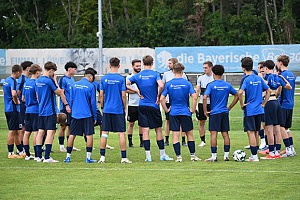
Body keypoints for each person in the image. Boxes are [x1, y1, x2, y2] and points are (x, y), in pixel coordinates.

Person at [127, 55, 173, 162]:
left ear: (143, 63)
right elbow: (161, 85)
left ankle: (148, 156)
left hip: (142, 105)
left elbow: (125, 84)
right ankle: (162, 154)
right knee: (158, 130)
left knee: (145, 130)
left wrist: (136, 91)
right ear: (152, 63)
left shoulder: (138, 75)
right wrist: (158, 95)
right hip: (153, 105)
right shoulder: (155, 74)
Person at [160, 62, 201, 162]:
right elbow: (195, 96)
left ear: (173, 71)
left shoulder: (169, 84)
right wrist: (193, 109)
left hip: (173, 112)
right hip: (185, 112)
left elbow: (161, 98)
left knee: (175, 134)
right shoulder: (187, 83)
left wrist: (166, 110)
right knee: (189, 134)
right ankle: (193, 156)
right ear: (182, 71)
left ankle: (178, 157)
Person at [99, 57, 132, 164]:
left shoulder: (104, 79)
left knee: (104, 133)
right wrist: (124, 107)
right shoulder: (121, 79)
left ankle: (102, 157)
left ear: (109, 65)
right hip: (118, 110)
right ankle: (123, 158)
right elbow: (123, 95)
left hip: (107, 109)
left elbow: (101, 95)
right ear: (119, 66)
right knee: (121, 133)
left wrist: (103, 106)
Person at [203, 65, 239, 162]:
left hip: (214, 113)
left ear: (213, 73)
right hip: (224, 112)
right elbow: (237, 95)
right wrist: (230, 107)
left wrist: (205, 111)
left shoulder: (211, 85)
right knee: (225, 134)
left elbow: (205, 97)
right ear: (222, 74)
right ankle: (226, 156)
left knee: (213, 134)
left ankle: (214, 157)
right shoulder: (227, 85)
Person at [238, 57, 271, 162]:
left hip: (250, 109)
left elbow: (239, 92)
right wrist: (264, 103)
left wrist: (242, 104)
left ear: (243, 68)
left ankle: (254, 156)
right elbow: (269, 90)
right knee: (256, 131)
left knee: (251, 132)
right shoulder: (258, 78)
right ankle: (254, 154)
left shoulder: (246, 79)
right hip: (259, 109)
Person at [35, 61, 69, 163]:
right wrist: (55, 81)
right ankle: (47, 157)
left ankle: (38, 156)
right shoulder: (49, 81)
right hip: (50, 111)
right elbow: (59, 93)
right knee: (50, 132)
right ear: (51, 71)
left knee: (40, 132)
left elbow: (37, 95)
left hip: (41, 110)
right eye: (53, 72)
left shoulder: (38, 80)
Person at [259, 60, 292, 160]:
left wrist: (260, 77)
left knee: (269, 129)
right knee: (277, 128)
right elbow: (289, 87)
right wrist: (283, 79)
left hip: (269, 102)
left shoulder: (265, 77)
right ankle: (277, 152)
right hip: (276, 102)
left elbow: (265, 86)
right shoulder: (277, 77)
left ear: (265, 68)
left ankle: (272, 152)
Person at [64, 70, 98, 163]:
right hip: (87, 114)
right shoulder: (91, 86)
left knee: (72, 134)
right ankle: (88, 158)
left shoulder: (74, 85)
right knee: (89, 135)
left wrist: (72, 111)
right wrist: (95, 117)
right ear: (90, 78)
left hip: (75, 114)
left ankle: (68, 157)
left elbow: (70, 99)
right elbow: (93, 103)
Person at [85, 67, 114, 150]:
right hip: (87, 109)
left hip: (95, 109)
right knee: (87, 126)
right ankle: (88, 143)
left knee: (102, 123)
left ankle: (103, 141)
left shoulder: (95, 84)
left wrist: (99, 102)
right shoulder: (85, 84)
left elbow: (101, 93)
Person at [162, 58, 188, 146]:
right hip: (169, 101)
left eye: (170, 63)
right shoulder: (166, 74)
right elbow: (162, 86)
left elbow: (186, 88)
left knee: (182, 121)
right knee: (168, 120)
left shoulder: (183, 75)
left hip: (180, 101)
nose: (168, 65)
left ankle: (183, 139)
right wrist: (162, 97)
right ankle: (166, 139)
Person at [3, 65, 25, 158]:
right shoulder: (13, 81)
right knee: (12, 131)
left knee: (16, 130)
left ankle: (20, 151)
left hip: (7, 108)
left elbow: (4, 92)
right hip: (13, 109)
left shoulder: (6, 80)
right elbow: (14, 94)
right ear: (18, 72)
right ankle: (10, 152)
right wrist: (17, 102)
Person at [277, 55, 297, 156]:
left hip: (284, 104)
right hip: (291, 103)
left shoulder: (282, 75)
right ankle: (292, 149)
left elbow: (280, 89)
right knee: (287, 128)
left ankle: (288, 149)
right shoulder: (291, 74)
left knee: (281, 127)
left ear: (280, 63)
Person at [58, 61, 79, 152]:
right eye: (74, 69)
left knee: (71, 126)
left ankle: (70, 145)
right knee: (63, 126)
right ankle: (61, 146)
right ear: (69, 69)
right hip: (65, 107)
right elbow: (61, 93)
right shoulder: (63, 79)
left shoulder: (72, 80)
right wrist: (66, 105)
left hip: (72, 106)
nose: (75, 71)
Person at [22, 64, 42, 160]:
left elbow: (23, 98)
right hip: (35, 110)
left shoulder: (26, 83)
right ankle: (38, 155)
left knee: (27, 132)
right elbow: (38, 97)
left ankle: (27, 154)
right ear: (37, 72)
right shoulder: (36, 83)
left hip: (27, 110)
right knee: (36, 132)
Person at [196, 61, 214, 147]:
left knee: (212, 121)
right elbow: (197, 91)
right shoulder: (200, 78)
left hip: (212, 103)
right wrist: (195, 105)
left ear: (211, 67)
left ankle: (212, 139)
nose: (205, 69)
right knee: (202, 122)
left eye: (206, 68)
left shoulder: (214, 78)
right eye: (204, 68)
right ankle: (203, 140)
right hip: (202, 102)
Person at [126, 59, 143, 148]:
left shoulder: (142, 77)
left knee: (141, 124)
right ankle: (130, 142)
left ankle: (142, 142)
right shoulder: (129, 78)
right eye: (137, 66)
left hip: (142, 104)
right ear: (133, 66)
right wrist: (135, 91)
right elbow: (125, 89)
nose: (139, 67)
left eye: (140, 66)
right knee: (131, 123)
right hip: (132, 104)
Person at [17, 61, 33, 153]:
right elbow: (17, 91)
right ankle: (21, 149)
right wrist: (21, 100)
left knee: (25, 127)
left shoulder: (27, 79)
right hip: (23, 106)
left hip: (26, 106)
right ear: (28, 68)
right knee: (22, 128)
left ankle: (23, 148)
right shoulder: (22, 78)